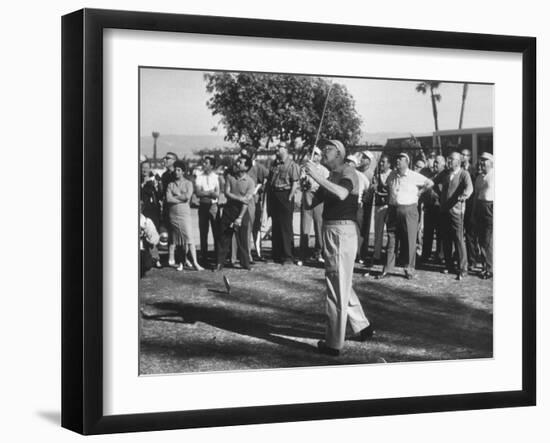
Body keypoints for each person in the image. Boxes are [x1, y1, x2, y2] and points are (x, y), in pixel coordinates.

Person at [303, 139, 374, 356]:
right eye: (324, 149)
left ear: (340, 154)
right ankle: (362, 326)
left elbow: (342, 194)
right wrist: (306, 186)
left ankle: (334, 343)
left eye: (329, 149)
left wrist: (316, 176)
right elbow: (308, 204)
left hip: (342, 232)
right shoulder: (330, 176)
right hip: (332, 231)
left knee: (337, 287)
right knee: (339, 281)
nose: (324, 152)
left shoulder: (348, 171)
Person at [378, 153, 434, 280]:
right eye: (396, 158)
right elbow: (389, 189)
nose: (397, 161)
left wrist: (420, 192)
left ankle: (409, 268)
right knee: (391, 239)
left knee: (409, 240)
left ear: (407, 162)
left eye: (400, 159)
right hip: (393, 209)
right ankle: (387, 268)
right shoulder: (391, 175)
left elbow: (430, 183)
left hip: (409, 209)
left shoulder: (413, 175)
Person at [435, 152, 473, 280]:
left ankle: (463, 268)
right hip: (444, 211)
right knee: (446, 239)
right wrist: (438, 194)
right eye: (448, 158)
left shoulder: (464, 174)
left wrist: (464, 195)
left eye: (451, 159)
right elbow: (434, 182)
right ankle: (449, 265)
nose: (449, 161)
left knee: (458, 239)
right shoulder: (445, 173)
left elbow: (470, 188)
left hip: (457, 212)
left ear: (459, 161)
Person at [215, 155, 255, 271]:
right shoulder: (229, 177)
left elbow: (246, 202)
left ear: (246, 167)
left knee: (242, 239)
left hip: (242, 211)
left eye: (240, 162)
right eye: (237, 161)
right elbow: (227, 193)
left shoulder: (250, 182)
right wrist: (239, 198)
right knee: (224, 237)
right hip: (229, 210)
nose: (237, 163)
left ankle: (245, 263)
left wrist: (240, 218)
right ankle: (219, 263)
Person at [165, 160, 204, 271]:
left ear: (183, 171)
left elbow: (187, 197)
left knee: (189, 238)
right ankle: (182, 261)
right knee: (178, 240)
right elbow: (168, 199)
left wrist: (175, 197)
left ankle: (195, 263)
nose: (176, 172)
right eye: (175, 170)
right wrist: (179, 197)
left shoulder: (188, 183)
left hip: (184, 214)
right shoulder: (170, 184)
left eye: (179, 170)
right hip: (173, 215)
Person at [267, 142, 300, 264]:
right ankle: (276, 255)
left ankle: (288, 256)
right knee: (275, 226)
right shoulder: (274, 164)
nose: (277, 149)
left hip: (285, 195)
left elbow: (295, 183)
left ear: (286, 149)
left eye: (279, 147)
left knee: (286, 227)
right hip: (274, 195)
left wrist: (289, 198)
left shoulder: (292, 165)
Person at [298, 146, 328, 265]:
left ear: (320, 157)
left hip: (319, 198)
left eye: (316, 154)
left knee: (319, 227)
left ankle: (319, 253)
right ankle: (303, 255)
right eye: (312, 153)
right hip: (307, 197)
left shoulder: (325, 171)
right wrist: (304, 180)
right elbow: (301, 182)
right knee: (305, 227)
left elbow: (326, 185)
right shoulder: (304, 168)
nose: (313, 155)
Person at [194, 155, 220, 266]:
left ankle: (217, 258)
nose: (204, 165)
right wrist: (210, 193)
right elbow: (198, 193)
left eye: (207, 163)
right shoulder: (199, 177)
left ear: (212, 165)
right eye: (204, 163)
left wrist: (206, 193)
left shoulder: (216, 177)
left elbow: (217, 194)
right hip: (203, 207)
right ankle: (203, 258)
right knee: (203, 233)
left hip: (214, 207)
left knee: (216, 232)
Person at [473, 152, 494, 279]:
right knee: (481, 239)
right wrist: (473, 212)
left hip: (490, 208)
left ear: (491, 163)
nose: (482, 163)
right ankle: (485, 266)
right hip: (480, 207)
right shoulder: (479, 177)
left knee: (488, 240)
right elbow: (476, 195)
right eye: (481, 161)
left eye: (485, 161)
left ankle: (490, 269)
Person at [420, 155, 445, 262]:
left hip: (440, 208)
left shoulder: (445, 176)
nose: (435, 164)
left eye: (437, 163)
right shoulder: (430, 175)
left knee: (440, 234)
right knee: (427, 233)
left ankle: (440, 256)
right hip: (429, 207)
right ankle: (426, 255)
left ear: (443, 164)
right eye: (434, 162)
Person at [372, 154, 392, 263]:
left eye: (384, 162)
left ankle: (389, 255)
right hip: (379, 206)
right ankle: (376, 255)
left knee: (390, 233)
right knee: (378, 232)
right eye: (380, 162)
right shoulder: (376, 175)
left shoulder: (393, 174)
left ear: (389, 164)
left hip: (389, 206)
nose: (381, 164)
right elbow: (374, 188)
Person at [461, 148, 478, 270]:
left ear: (469, 157)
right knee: (459, 234)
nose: (463, 157)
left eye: (465, 155)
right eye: (462, 154)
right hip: (459, 205)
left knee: (470, 234)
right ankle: (461, 258)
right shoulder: (458, 170)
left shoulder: (474, 171)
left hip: (471, 206)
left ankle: (472, 260)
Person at [161, 152, 178, 266]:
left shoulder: (177, 174)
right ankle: (170, 254)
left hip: (176, 206)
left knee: (177, 231)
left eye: (168, 158)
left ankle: (177, 255)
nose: (165, 160)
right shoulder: (164, 175)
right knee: (168, 230)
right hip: (167, 206)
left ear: (174, 160)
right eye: (165, 158)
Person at [358, 150, 374, 262]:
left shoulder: (371, 174)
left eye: (364, 158)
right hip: (357, 204)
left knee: (364, 229)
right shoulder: (357, 171)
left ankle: (363, 253)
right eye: (362, 157)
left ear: (368, 161)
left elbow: (371, 191)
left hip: (366, 205)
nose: (361, 159)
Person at [140, 200, 160, 277]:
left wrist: (149, 239)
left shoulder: (146, 221)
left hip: (142, 249)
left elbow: (155, 238)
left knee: (147, 263)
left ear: (142, 208)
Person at [140, 160, 162, 230]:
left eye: (147, 168)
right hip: (141, 212)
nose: (144, 170)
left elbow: (160, 195)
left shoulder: (154, 181)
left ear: (150, 169)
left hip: (152, 213)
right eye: (143, 168)